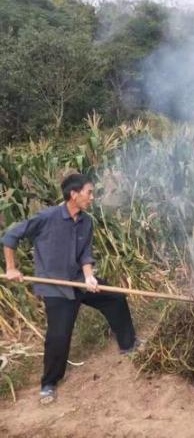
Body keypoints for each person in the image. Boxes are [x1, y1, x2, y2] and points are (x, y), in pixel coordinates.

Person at [2, 173, 138, 404]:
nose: (92, 197)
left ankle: (128, 343)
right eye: (89, 192)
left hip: (78, 280)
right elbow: (10, 236)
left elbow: (85, 253)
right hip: (55, 287)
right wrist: (11, 268)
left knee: (114, 297)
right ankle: (49, 383)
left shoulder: (86, 221)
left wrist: (89, 277)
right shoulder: (47, 217)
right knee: (59, 335)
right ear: (74, 195)